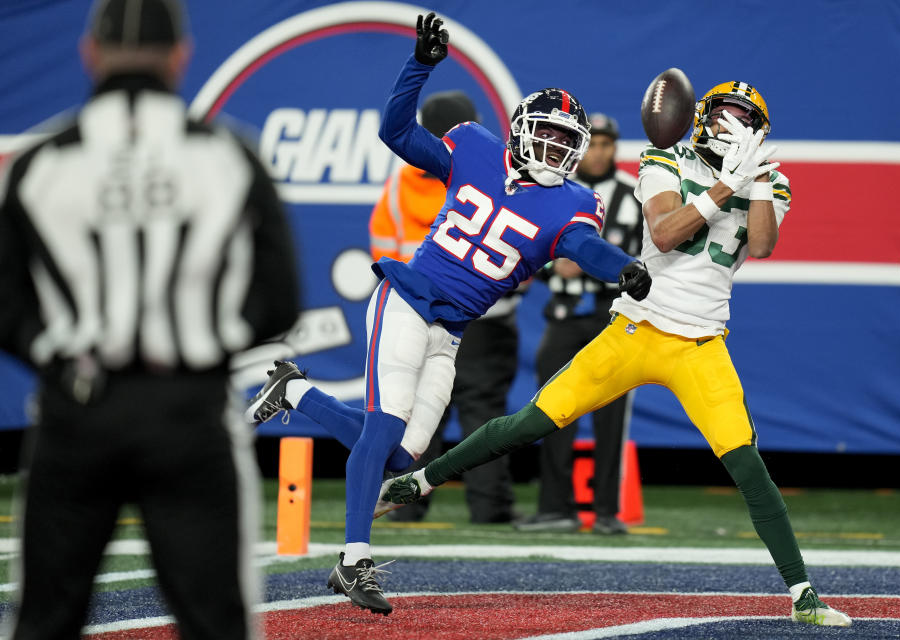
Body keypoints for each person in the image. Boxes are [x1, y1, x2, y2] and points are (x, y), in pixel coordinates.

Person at [379, 82, 854, 627]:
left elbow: (764, 245)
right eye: (723, 115)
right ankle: (419, 482)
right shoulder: (666, 158)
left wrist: (759, 181)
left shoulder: (769, 178)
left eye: (743, 121)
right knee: (529, 421)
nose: (730, 127)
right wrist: (725, 186)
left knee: (746, 461)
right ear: (702, 118)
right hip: (636, 327)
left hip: (701, 343)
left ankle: (803, 595)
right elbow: (667, 231)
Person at [245, 12, 650, 616]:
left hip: (453, 331)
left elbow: (582, 247)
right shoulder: (473, 147)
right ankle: (353, 560)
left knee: (404, 458)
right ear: (522, 130)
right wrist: (420, 66)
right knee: (383, 429)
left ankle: (295, 391)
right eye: (554, 136)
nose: (561, 150)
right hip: (407, 297)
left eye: (570, 142)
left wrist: (621, 267)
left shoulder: (573, 201)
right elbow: (396, 132)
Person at [0, 1, 301, 638]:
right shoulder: (228, 155)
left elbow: (6, 302)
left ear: (90, 52)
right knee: (214, 620)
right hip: (189, 410)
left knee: (46, 619)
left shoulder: (43, 161)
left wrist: (55, 358)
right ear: (180, 56)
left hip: (77, 410)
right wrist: (208, 348)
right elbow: (279, 299)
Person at [370, 90, 519, 524]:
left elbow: (380, 245)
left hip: (416, 311)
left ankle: (403, 509)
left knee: (414, 413)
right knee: (483, 416)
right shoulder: (489, 172)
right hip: (483, 317)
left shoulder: (401, 184)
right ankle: (490, 510)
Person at [518, 113, 643, 535]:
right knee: (551, 408)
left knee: (610, 413)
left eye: (607, 145)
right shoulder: (556, 191)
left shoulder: (635, 196)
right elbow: (526, 245)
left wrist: (586, 267)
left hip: (613, 318)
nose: (599, 153)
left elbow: (646, 258)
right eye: (593, 144)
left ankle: (607, 511)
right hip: (564, 316)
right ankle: (556, 507)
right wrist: (554, 269)